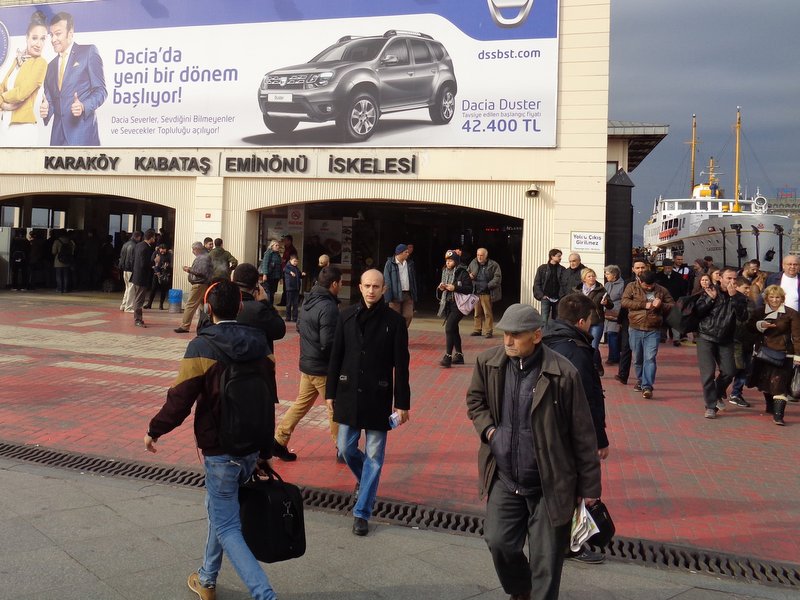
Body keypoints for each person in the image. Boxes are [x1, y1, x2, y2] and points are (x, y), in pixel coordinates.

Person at [144, 279, 279, 600]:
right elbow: (268, 401)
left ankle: (265, 594)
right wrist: (265, 450)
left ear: (207, 308)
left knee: (228, 526)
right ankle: (206, 579)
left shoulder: (202, 347)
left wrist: (154, 430)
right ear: (240, 306)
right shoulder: (262, 344)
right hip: (251, 447)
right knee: (220, 511)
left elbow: (180, 400)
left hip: (220, 450)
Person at [465, 303, 601, 600]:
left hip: (550, 484)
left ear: (536, 336)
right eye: (505, 334)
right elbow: (475, 401)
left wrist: (589, 488)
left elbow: (583, 433)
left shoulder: (563, 373)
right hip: (505, 477)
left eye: (516, 335)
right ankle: (521, 590)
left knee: (546, 563)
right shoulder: (489, 363)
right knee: (499, 542)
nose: (508, 341)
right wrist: (491, 433)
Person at [326, 269, 410, 537]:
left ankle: (362, 512)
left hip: (378, 397)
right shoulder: (346, 316)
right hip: (348, 393)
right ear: (360, 287)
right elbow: (336, 356)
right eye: (367, 286)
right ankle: (366, 482)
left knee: (374, 456)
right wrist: (330, 392)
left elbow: (402, 366)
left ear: (384, 289)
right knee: (345, 448)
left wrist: (402, 403)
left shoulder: (395, 322)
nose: (371, 290)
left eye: (376, 286)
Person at [542, 293, 610, 565]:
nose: (591, 325)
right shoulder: (579, 352)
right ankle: (570, 544)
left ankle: (550, 537)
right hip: (571, 431)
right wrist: (599, 438)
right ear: (581, 321)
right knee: (573, 488)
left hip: (545, 425)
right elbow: (589, 400)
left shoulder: (544, 340)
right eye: (590, 320)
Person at [273, 266, 342, 462]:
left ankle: (279, 440)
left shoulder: (308, 300)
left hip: (308, 364)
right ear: (334, 284)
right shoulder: (328, 307)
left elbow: (299, 327)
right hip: (322, 368)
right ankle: (343, 448)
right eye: (340, 282)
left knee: (301, 404)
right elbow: (328, 342)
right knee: (335, 407)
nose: (341, 286)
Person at [39, 12, 106, 146]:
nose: (53, 39)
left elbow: (101, 91)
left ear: (70, 33)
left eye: (58, 34)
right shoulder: (50, 66)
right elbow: (50, 101)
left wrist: (83, 106)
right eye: (51, 35)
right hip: (57, 139)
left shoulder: (88, 52)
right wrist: (46, 109)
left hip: (83, 136)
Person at [694, 267, 749, 419]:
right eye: (728, 278)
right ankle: (710, 406)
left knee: (729, 371)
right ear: (720, 278)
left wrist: (734, 298)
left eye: (734, 279)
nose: (732, 281)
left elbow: (743, 317)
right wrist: (710, 299)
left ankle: (717, 393)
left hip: (726, 339)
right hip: (706, 336)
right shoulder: (710, 291)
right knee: (708, 373)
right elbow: (697, 312)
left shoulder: (739, 296)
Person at [747, 285, 800, 425]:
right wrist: (760, 325)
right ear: (766, 298)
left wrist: (798, 355)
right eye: (771, 297)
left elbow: (797, 336)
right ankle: (770, 407)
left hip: (784, 354)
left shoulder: (791, 313)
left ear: (782, 298)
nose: (775, 300)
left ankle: (778, 415)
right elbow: (749, 327)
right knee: (766, 382)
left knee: (779, 384)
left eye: (778, 297)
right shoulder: (759, 312)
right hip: (764, 353)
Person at [621, 269, 675, 399]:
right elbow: (624, 302)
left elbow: (672, 305)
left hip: (653, 329)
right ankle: (640, 380)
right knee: (638, 358)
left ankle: (647, 386)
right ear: (640, 281)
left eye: (652, 285)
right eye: (647, 285)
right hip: (635, 328)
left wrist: (661, 305)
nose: (649, 287)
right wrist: (644, 305)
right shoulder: (632, 287)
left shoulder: (661, 290)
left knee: (650, 358)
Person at [0, 11, 47, 146]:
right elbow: (2, 86)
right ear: (27, 37)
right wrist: (3, 104)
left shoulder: (40, 63)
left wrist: (1, 100)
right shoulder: (17, 60)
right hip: (4, 125)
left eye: (43, 39)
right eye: (35, 38)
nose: (38, 44)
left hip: (23, 128)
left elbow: (21, 93)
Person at [437, 249, 473, 368]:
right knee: (454, 329)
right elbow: (445, 286)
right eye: (447, 260)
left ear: (456, 261)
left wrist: (455, 288)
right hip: (449, 303)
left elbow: (469, 289)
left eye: (451, 260)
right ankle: (459, 355)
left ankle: (448, 356)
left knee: (449, 327)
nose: (448, 262)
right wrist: (442, 287)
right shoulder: (445, 271)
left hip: (459, 305)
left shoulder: (462, 272)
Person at [575, 267, 612, 374]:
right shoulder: (577, 290)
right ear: (584, 279)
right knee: (584, 345)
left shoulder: (601, 289)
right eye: (589, 276)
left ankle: (595, 366)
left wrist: (606, 303)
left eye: (593, 276)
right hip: (582, 321)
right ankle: (594, 364)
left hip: (596, 321)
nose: (592, 278)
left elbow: (611, 305)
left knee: (593, 346)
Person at [175, 241, 213, 334]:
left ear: (198, 249)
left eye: (194, 249)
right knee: (203, 306)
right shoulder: (203, 257)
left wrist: (189, 270)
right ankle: (208, 323)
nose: (193, 251)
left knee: (190, 305)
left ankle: (185, 326)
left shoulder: (203, 258)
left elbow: (201, 272)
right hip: (202, 284)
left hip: (199, 284)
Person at [730, 277, 757, 408]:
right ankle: (721, 390)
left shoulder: (750, 301)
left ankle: (736, 393)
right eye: (745, 288)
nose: (747, 290)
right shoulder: (732, 301)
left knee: (745, 368)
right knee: (734, 368)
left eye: (748, 288)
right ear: (736, 287)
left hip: (748, 339)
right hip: (735, 339)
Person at [468, 247, 502, 338]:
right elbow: (467, 272)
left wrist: (488, 285)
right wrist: (469, 275)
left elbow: (498, 277)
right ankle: (477, 330)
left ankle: (488, 331)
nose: (479, 257)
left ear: (486, 256)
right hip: (476, 292)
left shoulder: (493, 265)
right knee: (476, 313)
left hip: (487, 293)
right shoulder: (473, 263)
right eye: (478, 255)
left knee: (488, 313)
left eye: (481, 255)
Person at [383, 243, 418, 328]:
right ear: (399, 253)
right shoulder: (389, 263)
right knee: (394, 317)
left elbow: (413, 280)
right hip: (395, 295)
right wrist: (388, 297)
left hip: (408, 294)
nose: (408, 254)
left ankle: (402, 332)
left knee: (408, 315)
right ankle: (395, 334)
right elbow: (387, 280)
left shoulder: (410, 263)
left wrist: (414, 293)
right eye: (406, 252)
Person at [657, 259, 689, 345]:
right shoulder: (658, 276)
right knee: (662, 319)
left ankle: (676, 339)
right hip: (662, 302)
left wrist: (681, 300)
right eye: (666, 267)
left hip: (675, 301)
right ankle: (662, 337)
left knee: (675, 320)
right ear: (663, 267)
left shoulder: (678, 276)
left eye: (669, 267)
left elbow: (683, 289)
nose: (668, 269)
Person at [130, 229, 156, 328]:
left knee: (137, 297)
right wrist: (154, 262)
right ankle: (138, 319)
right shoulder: (146, 248)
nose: (155, 239)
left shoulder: (138, 245)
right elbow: (144, 263)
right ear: (151, 238)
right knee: (139, 299)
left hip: (136, 275)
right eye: (154, 237)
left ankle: (138, 318)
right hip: (141, 277)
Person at [533, 249, 564, 324]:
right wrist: (541, 295)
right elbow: (537, 283)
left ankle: (554, 331)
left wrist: (561, 296)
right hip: (546, 298)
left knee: (557, 320)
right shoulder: (542, 268)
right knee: (544, 319)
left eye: (560, 256)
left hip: (558, 298)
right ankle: (544, 331)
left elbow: (564, 284)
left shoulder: (562, 269)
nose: (560, 258)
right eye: (558, 256)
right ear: (552, 256)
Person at [603, 265, 625, 365]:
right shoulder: (607, 284)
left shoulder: (623, 285)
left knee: (613, 334)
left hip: (617, 312)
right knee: (610, 334)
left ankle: (614, 357)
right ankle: (613, 356)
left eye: (608, 274)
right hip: (607, 312)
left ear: (614, 275)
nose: (606, 275)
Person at [144, 243, 173, 310]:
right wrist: (155, 263)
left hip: (165, 274)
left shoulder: (169, 254)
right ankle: (149, 304)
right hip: (156, 274)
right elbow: (152, 261)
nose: (162, 251)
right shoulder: (156, 253)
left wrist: (167, 266)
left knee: (163, 290)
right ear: (159, 249)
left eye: (164, 249)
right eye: (161, 249)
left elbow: (171, 263)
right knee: (153, 289)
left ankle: (161, 305)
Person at [118, 231, 141, 312]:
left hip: (125, 269)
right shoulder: (135, 246)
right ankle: (129, 307)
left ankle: (123, 305)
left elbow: (121, 257)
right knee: (131, 289)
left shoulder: (125, 244)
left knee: (127, 288)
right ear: (138, 237)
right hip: (131, 270)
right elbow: (133, 259)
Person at [259, 239, 282, 304]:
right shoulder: (268, 253)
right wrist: (265, 274)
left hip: (275, 277)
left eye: (278, 245)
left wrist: (281, 277)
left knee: (272, 293)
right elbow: (265, 264)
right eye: (276, 245)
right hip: (269, 276)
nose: (278, 247)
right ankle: (268, 306)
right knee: (268, 292)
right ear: (272, 246)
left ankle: (271, 306)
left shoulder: (278, 255)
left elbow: (280, 267)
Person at [282, 255, 304, 322]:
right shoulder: (287, 267)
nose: (295, 263)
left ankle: (295, 318)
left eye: (297, 261)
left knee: (295, 304)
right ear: (290, 260)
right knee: (288, 303)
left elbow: (299, 276)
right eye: (294, 261)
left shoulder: (296, 268)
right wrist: (290, 272)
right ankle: (288, 317)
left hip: (296, 288)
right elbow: (284, 269)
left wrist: (302, 274)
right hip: (290, 288)